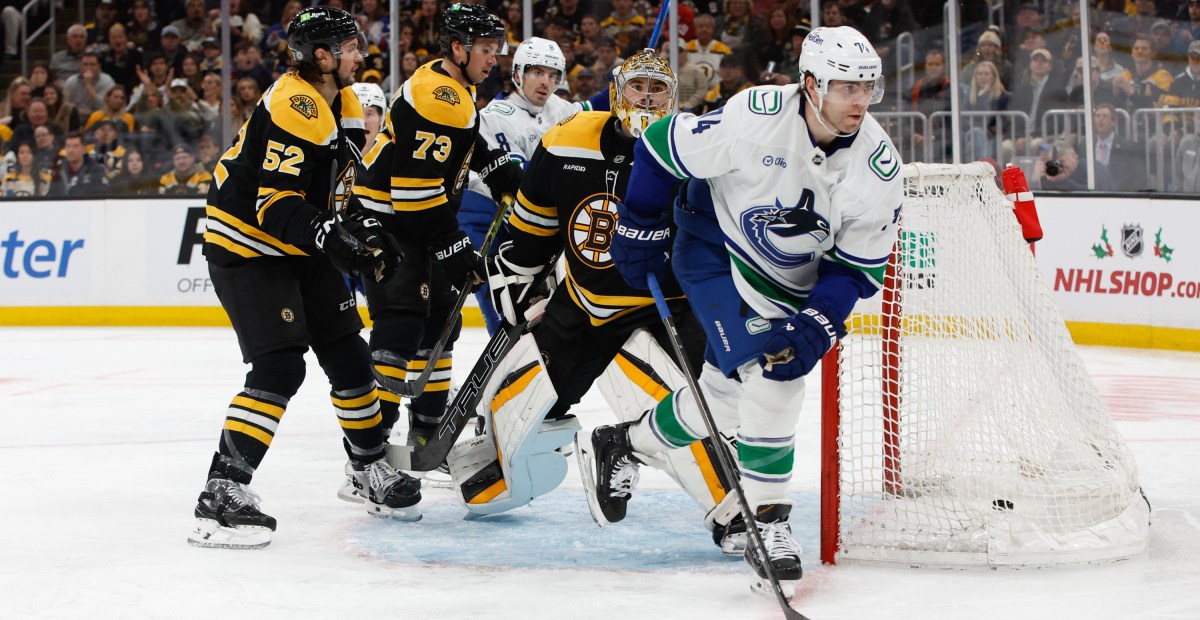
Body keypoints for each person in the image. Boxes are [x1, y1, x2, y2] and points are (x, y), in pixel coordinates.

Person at [590, 26, 903, 594]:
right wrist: (639, 222)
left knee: (727, 398)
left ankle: (625, 441)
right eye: (844, 87)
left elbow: (854, 269)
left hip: (787, 278)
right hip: (711, 247)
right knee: (772, 375)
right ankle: (769, 523)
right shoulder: (753, 116)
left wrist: (821, 321)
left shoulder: (879, 167)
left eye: (867, 87)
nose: (858, 101)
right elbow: (661, 143)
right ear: (810, 84)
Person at [449, 49, 745, 554]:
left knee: (691, 402)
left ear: (673, 100)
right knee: (519, 418)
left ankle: (731, 510)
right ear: (615, 93)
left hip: (667, 303)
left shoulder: (692, 148)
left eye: (658, 90)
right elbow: (532, 224)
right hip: (585, 302)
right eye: (638, 88)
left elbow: (717, 233)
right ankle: (490, 455)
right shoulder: (566, 141)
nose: (647, 98)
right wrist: (516, 278)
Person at [187, 6, 418, 551]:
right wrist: (333, 240)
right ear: (322, 55)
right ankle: (220, 494)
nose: (361, 54)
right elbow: (276, 202)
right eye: (351, 46)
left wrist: (365, 229)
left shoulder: (343, 101)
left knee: (348, 354)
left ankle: (366, 469)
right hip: (246, 244)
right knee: (280, 364)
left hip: (293, 241)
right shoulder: (296, 102)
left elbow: (331, 192)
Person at [349, 3, 522, 477]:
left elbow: (460, 142)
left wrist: (493, 164)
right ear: (458, 48)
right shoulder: (438, 94)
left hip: (418, 219)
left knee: (441, 328)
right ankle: (366, 458)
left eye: (495, 50)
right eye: (486, 50)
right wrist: (452, 245)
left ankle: (427, 439)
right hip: (388, 220)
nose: (493, 59)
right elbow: (413, 191)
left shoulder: (452, 86)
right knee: (399, 329)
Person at [461, 36, 610, 333]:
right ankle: (500, 361)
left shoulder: (559, 108)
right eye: (538, 73)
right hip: (488, 219)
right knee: (501, 302)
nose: (546, 82)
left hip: (530, 220)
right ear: (518, 74)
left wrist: (621, 83)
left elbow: (592, 111)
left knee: (538, 305)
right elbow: (520, 179)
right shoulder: (496, 116)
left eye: (553, 75)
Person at [47, 131, 110, 196]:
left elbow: (102, 196)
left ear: (84, 149)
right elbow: (51, 196)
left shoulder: (96, 170)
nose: (71, 150)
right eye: (68, 146)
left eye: (75, 146)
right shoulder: (58, 170)